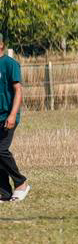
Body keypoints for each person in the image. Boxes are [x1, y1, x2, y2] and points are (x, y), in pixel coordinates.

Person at [0, 35, 30, 203]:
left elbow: (18, 90)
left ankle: (21, 183)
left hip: (7, 115)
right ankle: (4, 192)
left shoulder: (10, 64)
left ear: (1, 45)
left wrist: (12, 115)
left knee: (1, 150)